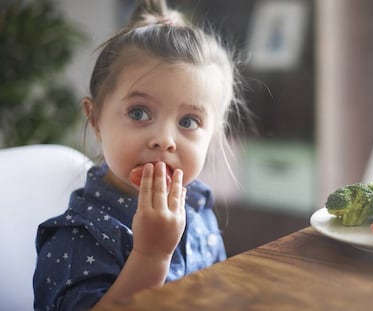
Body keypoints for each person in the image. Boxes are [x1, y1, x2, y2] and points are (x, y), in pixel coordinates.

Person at [33, 0, 249, 309]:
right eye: (139, 112)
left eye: (188, 121)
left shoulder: (198, 207)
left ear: (212, 137)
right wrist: (151, 255)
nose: (164, 140)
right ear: (95, 121)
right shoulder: (76, 238)